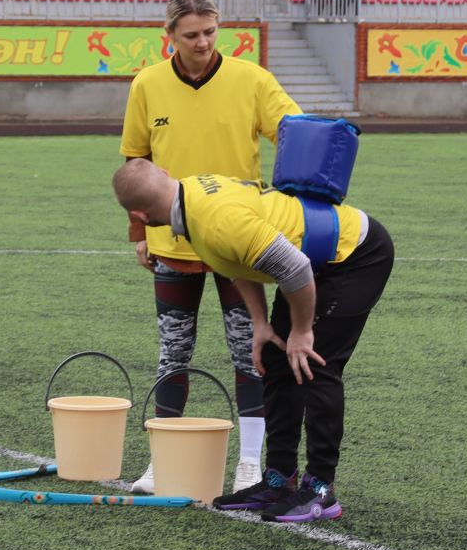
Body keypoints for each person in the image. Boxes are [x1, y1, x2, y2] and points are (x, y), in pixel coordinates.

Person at [115, 158, 392, 521]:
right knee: (277, 363)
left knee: (313, 364)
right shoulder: (191, 196)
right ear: (166, 176)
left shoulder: (214, 219)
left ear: (140, 216)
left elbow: (294, 268)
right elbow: (234, 260)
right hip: (314, 261)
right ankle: (279, 480)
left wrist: (302, 331)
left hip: (354, 256)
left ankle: (321, 490)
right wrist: (261, 323)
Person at [116, 0, 305, 496]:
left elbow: (297, 132)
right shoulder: (148, 85)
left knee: (251, 354)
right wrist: (139, 231)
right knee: (173, 353)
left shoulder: (252, 79)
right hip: (173, 245)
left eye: (210, 32)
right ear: (169, 36)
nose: (203, 43)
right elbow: (136, 162)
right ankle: (162, 461)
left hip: (239, 244)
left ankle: (248, 462)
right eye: (191, 35)